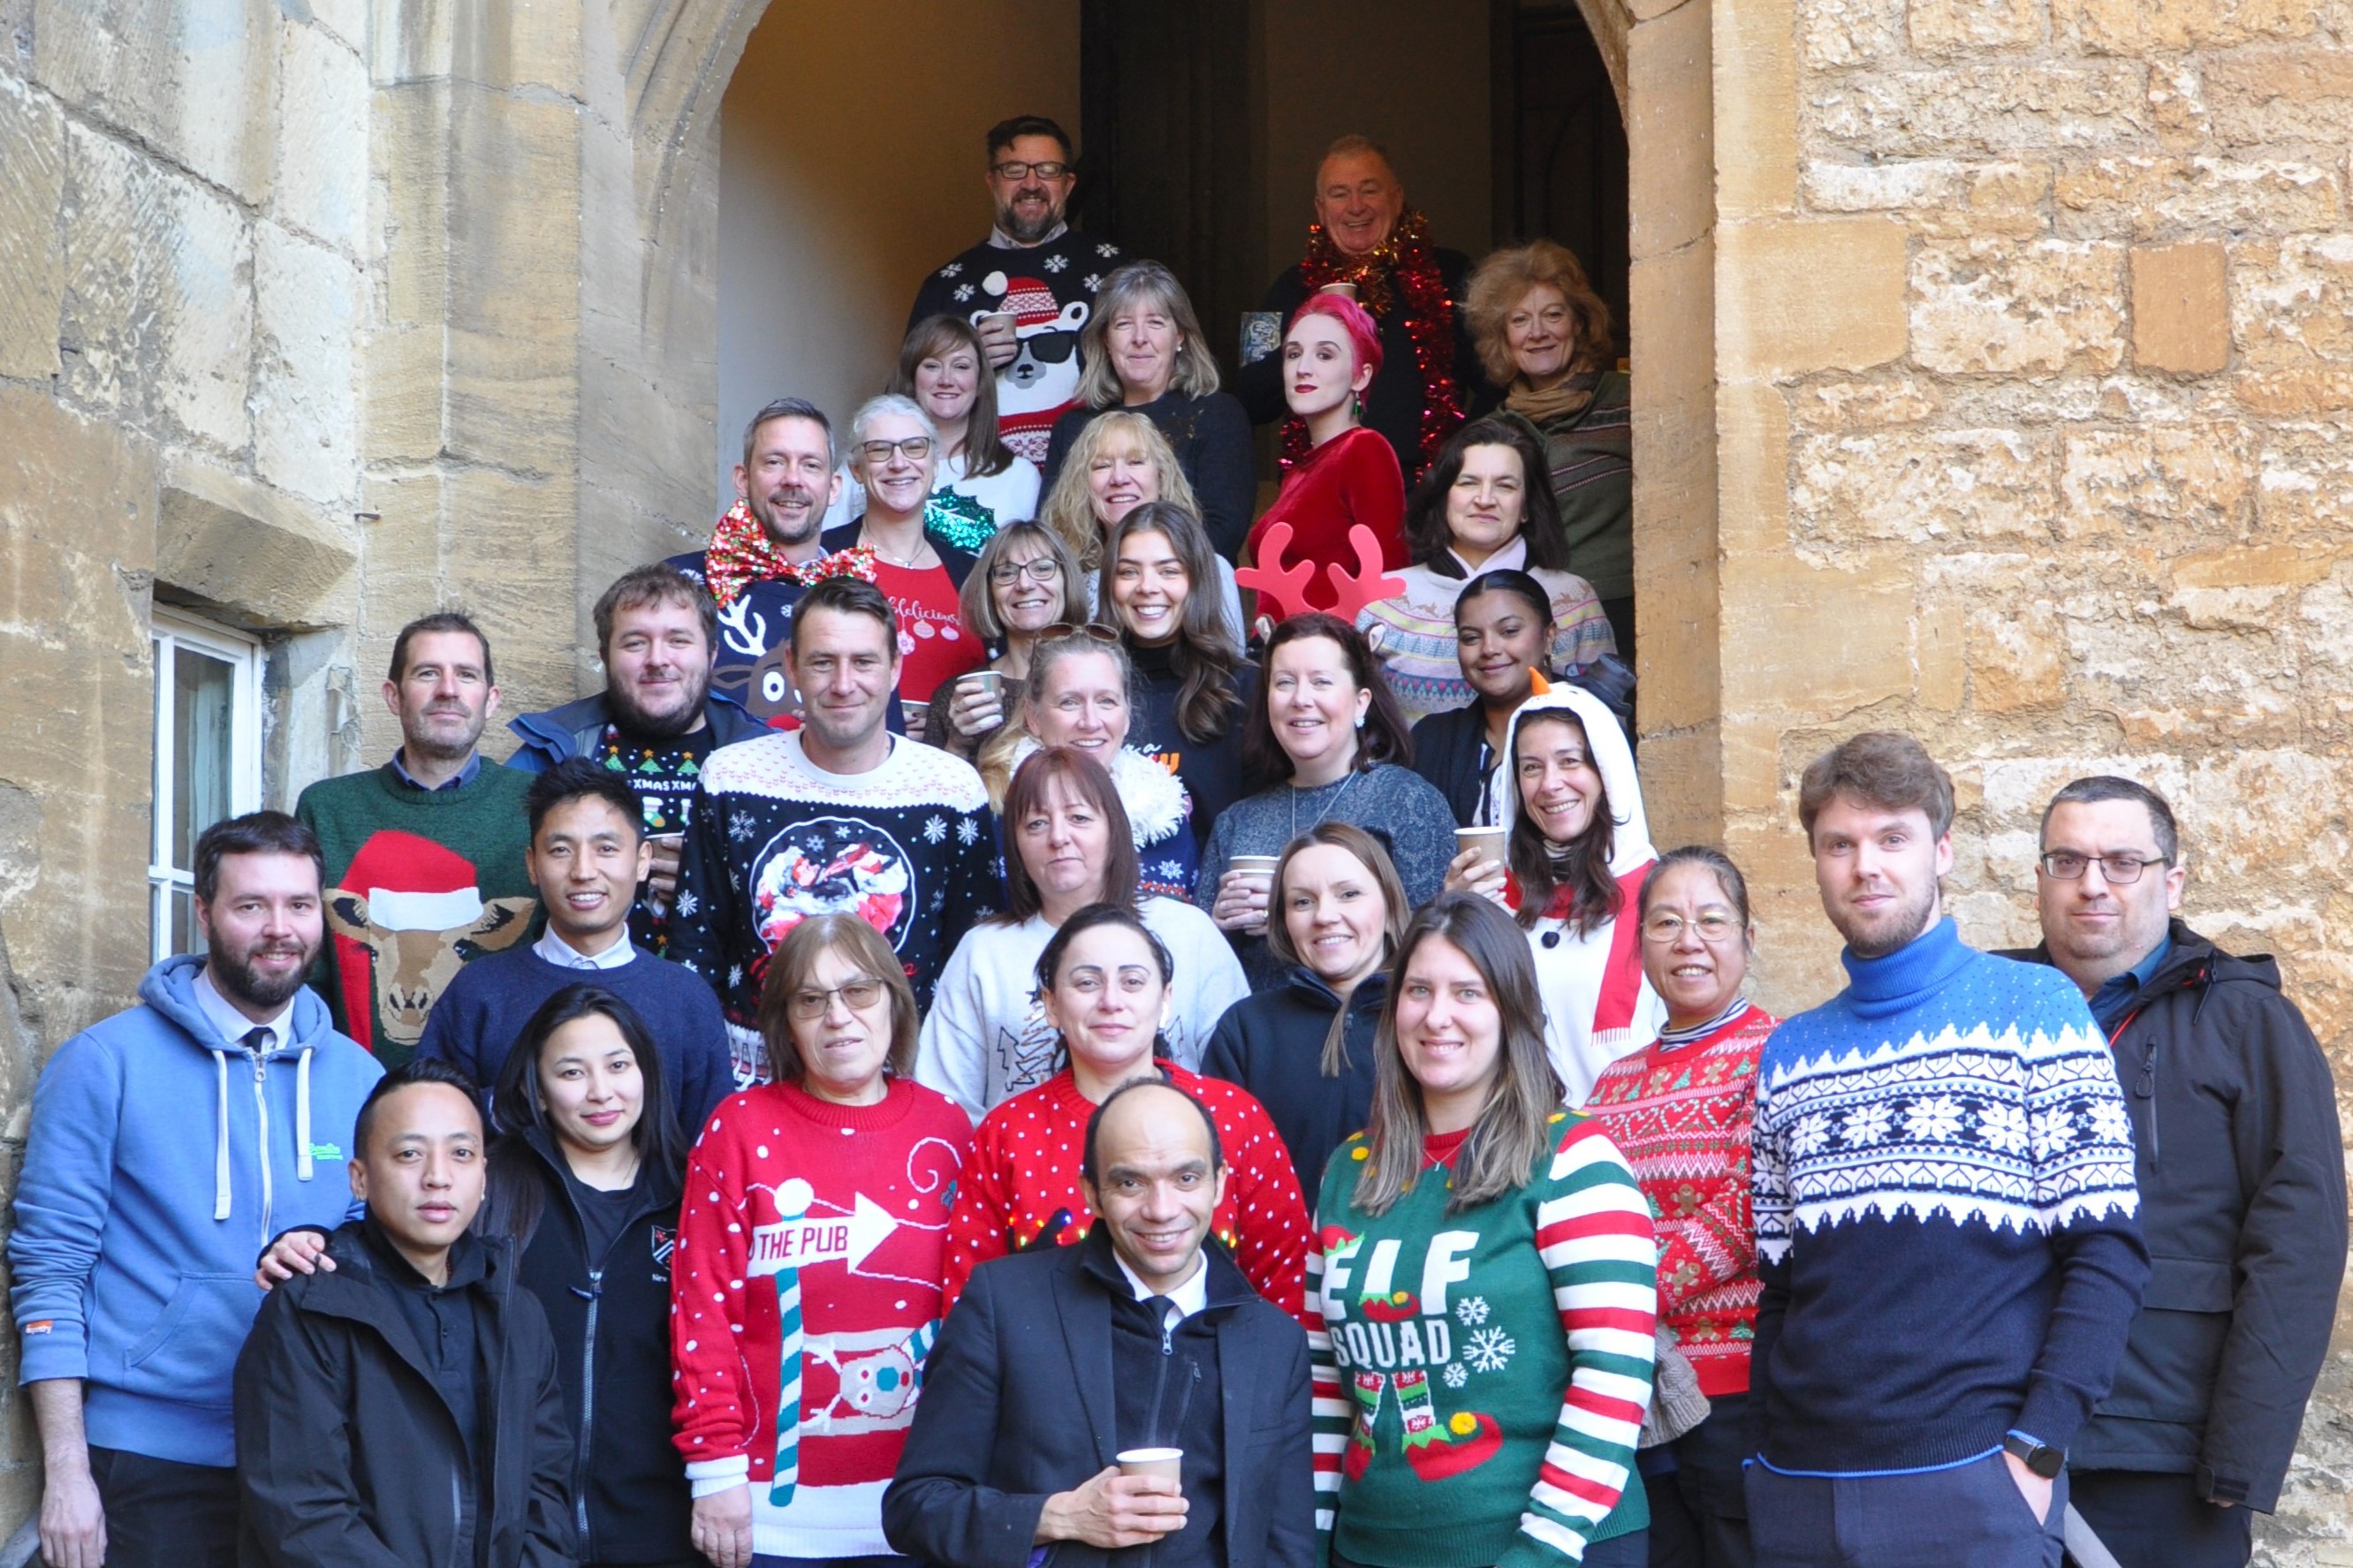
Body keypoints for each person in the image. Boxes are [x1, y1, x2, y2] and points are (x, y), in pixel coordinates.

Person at [1747, 733, 2150, 1568]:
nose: (1866, 865)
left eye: (1892, 837)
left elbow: (2107, 1251)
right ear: (1816, 862)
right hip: (1799, 1488)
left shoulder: (2035, 1008)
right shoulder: (1788, 1052)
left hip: (1969, 1484)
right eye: (1839, 843)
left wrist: (2036, 1449)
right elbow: (1781, 1284)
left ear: (1941, 849)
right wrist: (1770, 1446)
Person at [9, 813, 383, 1568]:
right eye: (251, 905)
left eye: (299, 905)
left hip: (316, 1459)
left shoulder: (360, 1078)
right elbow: (50, 1271)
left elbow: (380, 1253)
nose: (280, 928)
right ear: (204, 911)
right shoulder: (103, 1063)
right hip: (149, 1461)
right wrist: (67, 1473)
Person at [2000, 776, 2344, 1568]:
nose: (2092, 882)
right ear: (2041, 877)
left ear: (2171, 878)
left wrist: (2241, 1455)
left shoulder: (2245, 1020)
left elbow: (2299, 1246)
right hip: (1990, 1433)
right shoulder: (1988, 1009)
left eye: (2122, 861)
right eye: (2067, 860)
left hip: (2162, 1451)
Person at [259, 987, 699, 1568]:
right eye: (571, 1070)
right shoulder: (497, 1207)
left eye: (618, 1064)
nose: (439, 1177)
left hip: (651, 1527)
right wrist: (308, 1244)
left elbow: (544, 1475)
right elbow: (304, 1507)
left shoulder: (694, 1197)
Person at [1307, 892, 1656, 1568]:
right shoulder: (1345, 1174)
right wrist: (1316, 1534)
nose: (1437, 1016)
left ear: (1511, 1010)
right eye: (1418, 990)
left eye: (1467, 991)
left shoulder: (1575, 1161)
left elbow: (1613, 1374)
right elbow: (1327, 1381)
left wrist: (1539, 1552)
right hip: (1369, 1549)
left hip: (1550, 1548)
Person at [885, 1077, 1315, 1568]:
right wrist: (1057, 1517)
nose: (1161, 1209)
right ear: (1091, 1191)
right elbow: (915, 1507)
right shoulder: (1002, 1304)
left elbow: (1287, 1547)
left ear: (1219, 1183)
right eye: (1130, 1182)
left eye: (1186, 1179)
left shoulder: (1276, 1341)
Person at [669, 915, 971, 1568]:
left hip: (922, 1507)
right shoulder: (739, 1127)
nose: (837, 1016)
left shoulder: (948, 1128)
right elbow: (702, 1310)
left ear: (895, 999)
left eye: (858, 991)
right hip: (773, 1517)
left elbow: (974, 1317)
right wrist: (714, 1469)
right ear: (785, 1022)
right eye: (811, 999)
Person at [232, 1059, 574, 1568]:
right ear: (360, 1179)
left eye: (461, 1153)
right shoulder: (309, 1309)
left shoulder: (516, 1313)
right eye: (410, 1154)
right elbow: (303, 1514)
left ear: (484, 1176)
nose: (438, 1177)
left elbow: (546, 1486)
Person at [670, 575, 998, 1079]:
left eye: (863, 661)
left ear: (894, 669)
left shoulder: (951, 789)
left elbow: (972, 955)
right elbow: (697, 945)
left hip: (906, 1081)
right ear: (792, 667)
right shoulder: (731, 777)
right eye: (823, 662)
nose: (844, 684)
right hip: (755, 1077)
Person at [942, 904, 1311, 1317]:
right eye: (1086, 983)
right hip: (1045, 1379)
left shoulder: (1235, 1116)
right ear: (1051, 1004)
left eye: (1133, 981)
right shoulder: (1008, 1130)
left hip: (1223, 1373)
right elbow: (970, 1304)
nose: (1111, 1001)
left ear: (1165, 1000)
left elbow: (1284, 1286)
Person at [1585, 847, 1778, 1568]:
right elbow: (1583, 1216)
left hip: (1738, 1388)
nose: (1687, 940)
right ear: (1640, 948)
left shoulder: (1780, 1051)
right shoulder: (1610, 1086)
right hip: (1633, 1390)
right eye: (1664, 922)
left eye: (1710, 920)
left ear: (1747, 940)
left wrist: (1622, 1296)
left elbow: (1750, 1202)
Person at [920, 746, 1246, 1120]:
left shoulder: (1189, 932)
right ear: (1015, 845)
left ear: (1114, 829)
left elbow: (1233, 1085)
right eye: (1036, 824)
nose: (1058, 837)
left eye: (1078, 817)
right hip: (1021, 1170)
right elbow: (946, 1102)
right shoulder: (983, 951)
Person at [414, 760, 736, 1125]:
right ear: (533, 864)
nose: (583, 871)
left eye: (606, 849)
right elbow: (431, 1125)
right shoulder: (479, 991)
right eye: (561, 850)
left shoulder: (686, 999)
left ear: (642, 860)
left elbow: (710, 1149)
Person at [296, 611, 538, 1063]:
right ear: (393, 695)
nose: (448, 689)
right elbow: (306, 972)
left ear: (491, 699)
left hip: (500, 1104)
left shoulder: (537, 807)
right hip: (359, 1094)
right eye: (428, 673)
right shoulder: (328, 809)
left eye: (466, 675)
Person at [505, 564, 768, 954]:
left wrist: (718, 880)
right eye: (634, 643)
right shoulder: (553, 752)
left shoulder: (762, 759)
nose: (657, 659)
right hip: (580, 1001)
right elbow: (504, 880)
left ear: (712, 654)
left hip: (724, 1004)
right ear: (604, 656)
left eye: (678, 640)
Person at [1199, 613, 1454, 986]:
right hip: (1261, 1034)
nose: (1301, 699)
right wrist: (1215, 928)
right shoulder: (1238, 820)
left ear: (1361, 702)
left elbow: (1433, 939)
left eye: (1321, 682)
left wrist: (1297, 906)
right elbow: (1199, 966)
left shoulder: (1406, 800)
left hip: (1374, 1025)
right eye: (1284, 682)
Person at [1446, 679, 1662, 1104]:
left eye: (1570, 761)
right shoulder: (1492, 893)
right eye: (1531, 767)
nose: (1550, 784)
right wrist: (1453, 922)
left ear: (1606, 771)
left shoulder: (1660, 894)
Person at [1238, 135, 1484, 482]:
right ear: (1321, 210)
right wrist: (1311, 339)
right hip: (1323, 489)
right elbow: (1249, 396)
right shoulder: (1289, 287)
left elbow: (1498, 379)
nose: (1356, 207)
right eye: (1339, 194)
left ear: (1397, 199)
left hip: (1430, 494)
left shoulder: (1452, 273)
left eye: (1369, 190)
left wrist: (1468, 459)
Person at [1359, 417, 1615, 724]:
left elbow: (1608, 727)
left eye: (1505, 486)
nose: (1484, 499)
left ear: (1526, 507)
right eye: (1468, 483)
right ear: (1444, 496)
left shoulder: (1573, 598)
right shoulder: (1383, 597)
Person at [1199, 822, 1406, 1203]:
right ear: (1283, 920)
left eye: (1348, 894)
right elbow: (1216, 1169)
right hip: (1274, 1256)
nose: (1324, 915)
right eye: (1302, 901)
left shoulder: (1425, 1019)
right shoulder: (1247, 1028)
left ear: (1390, 904)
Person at [907, 115, 1123, 464]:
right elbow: (907, 406)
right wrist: (968, 364)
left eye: (1048, 170)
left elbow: (1154, 384)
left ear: (1068, 184)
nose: (1032, 183)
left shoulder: (1115, 272)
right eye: (1014, 170)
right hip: (981, 489)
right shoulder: (946, 285)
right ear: (992, 182)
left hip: (1093, 485)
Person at [1466, 241, 1634, 658]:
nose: (1537, 332)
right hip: (1526, 628)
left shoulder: (1630, 403)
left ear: (1579, 322)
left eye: (1553, 315)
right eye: (1520, 320)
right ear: (1503, 337)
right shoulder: (1491, 433)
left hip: (1627, 614)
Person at [1041, 260, 1256, 558]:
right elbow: (1054, 533)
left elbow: (1222, 532)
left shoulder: (1218, 415)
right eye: (1123, 324)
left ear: (1179, 335)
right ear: (1105, 339)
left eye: (1155, 322)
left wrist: (1144, 579)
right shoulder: (1073, 426)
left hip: (1189, 592)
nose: (1139, 338)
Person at [668, 398, 859, 729]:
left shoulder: (860, 598)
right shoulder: (676, 584)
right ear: (743, 479)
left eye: (811, 465)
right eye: (774, 462)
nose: (793, 479)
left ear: (833, 488)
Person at [978, 626, 1201, 900]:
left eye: (1106, 701)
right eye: (1069, 702)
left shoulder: (1166, 807)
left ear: (1127, 714)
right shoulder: (991, 806)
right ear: (1033, 717)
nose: (1091, 722)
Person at [1104, 502, 1256, 838]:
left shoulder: (1246, 689)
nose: (1147, 586)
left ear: (1197, 580)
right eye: (1129, 571)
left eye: (1168, 571)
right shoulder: (1090, 690)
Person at [1244, 294, 1408, 608]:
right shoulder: (1299, 471)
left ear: (1361, 375)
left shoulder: (1364, 450)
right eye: (1293, 354)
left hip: (1332, 649)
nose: (1303, 368)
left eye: (1324, 355)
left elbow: (1389, 575)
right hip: (1281, 648)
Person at [839, 394, 987, 735]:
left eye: (915, 447)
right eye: (879, 449)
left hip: (953, 768)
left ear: (935, 463)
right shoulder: (825, 559)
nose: (898, 462)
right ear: (856, 470)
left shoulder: (973, 572)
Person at [824, 314, 1044, 537]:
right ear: (911, 379)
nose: (946, 379)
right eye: (932, 365)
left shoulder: (1020, 477)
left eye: (961, 366)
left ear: (979, 383)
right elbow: (824, 551)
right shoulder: (868, 462)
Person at [1040, 411, 1246, 643]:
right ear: (1082, 485)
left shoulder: (1213, 569)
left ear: (1161, 476)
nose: (1119, 478)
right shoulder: (1066, 580)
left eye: (1135, 462)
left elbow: (1230, 671)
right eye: (1102, 466)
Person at [921, 519, 1083, 761]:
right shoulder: (957, 697)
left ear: (1067, 579)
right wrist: (957, 745)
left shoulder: (1100, 677)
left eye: (1042, 568)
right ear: (989, 591)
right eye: (1007, 573)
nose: (1025, 584)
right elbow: (932, 794)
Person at [1406, 570, 1552, 828]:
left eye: (1509, 631)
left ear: (1549, 637)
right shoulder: (1432, 740)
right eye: (1471, 638)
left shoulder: (1589, 723)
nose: (1489, 649)